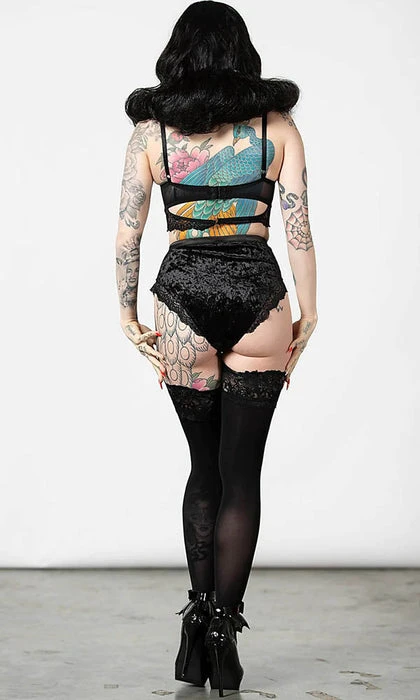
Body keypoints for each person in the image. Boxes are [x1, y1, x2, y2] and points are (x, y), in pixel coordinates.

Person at [115, 1, 318, 695]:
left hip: (180, 306)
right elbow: (298, 228)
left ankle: (194, 629)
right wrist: (309, 313)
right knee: (242, 476)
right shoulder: (277, 127)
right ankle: (225, 637)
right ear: (242, 53)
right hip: (260, 302)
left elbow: (128, 233)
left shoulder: (150, 133)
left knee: (204, 471)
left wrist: (125, 312)